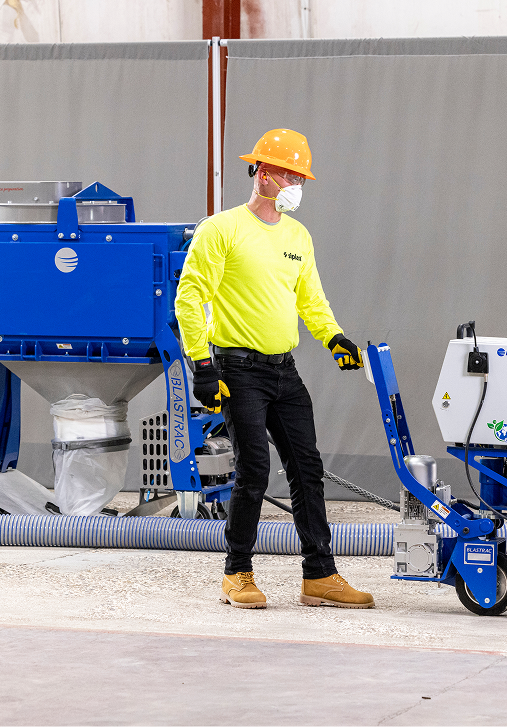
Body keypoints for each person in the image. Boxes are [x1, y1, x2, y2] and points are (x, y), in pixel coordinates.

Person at [174, 128, 374, 610]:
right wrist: (202, 364)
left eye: (300, 178)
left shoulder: (297, 237)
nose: (295, 185)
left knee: (308, 469)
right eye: (288, 175)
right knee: (254, 471)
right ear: (262, 174)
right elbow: (190, 298)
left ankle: (319, 575)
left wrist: (333, 337)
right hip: (237, 369)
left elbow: (311, 299)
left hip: (284, 370)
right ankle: (237, 573)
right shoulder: (221, 229)